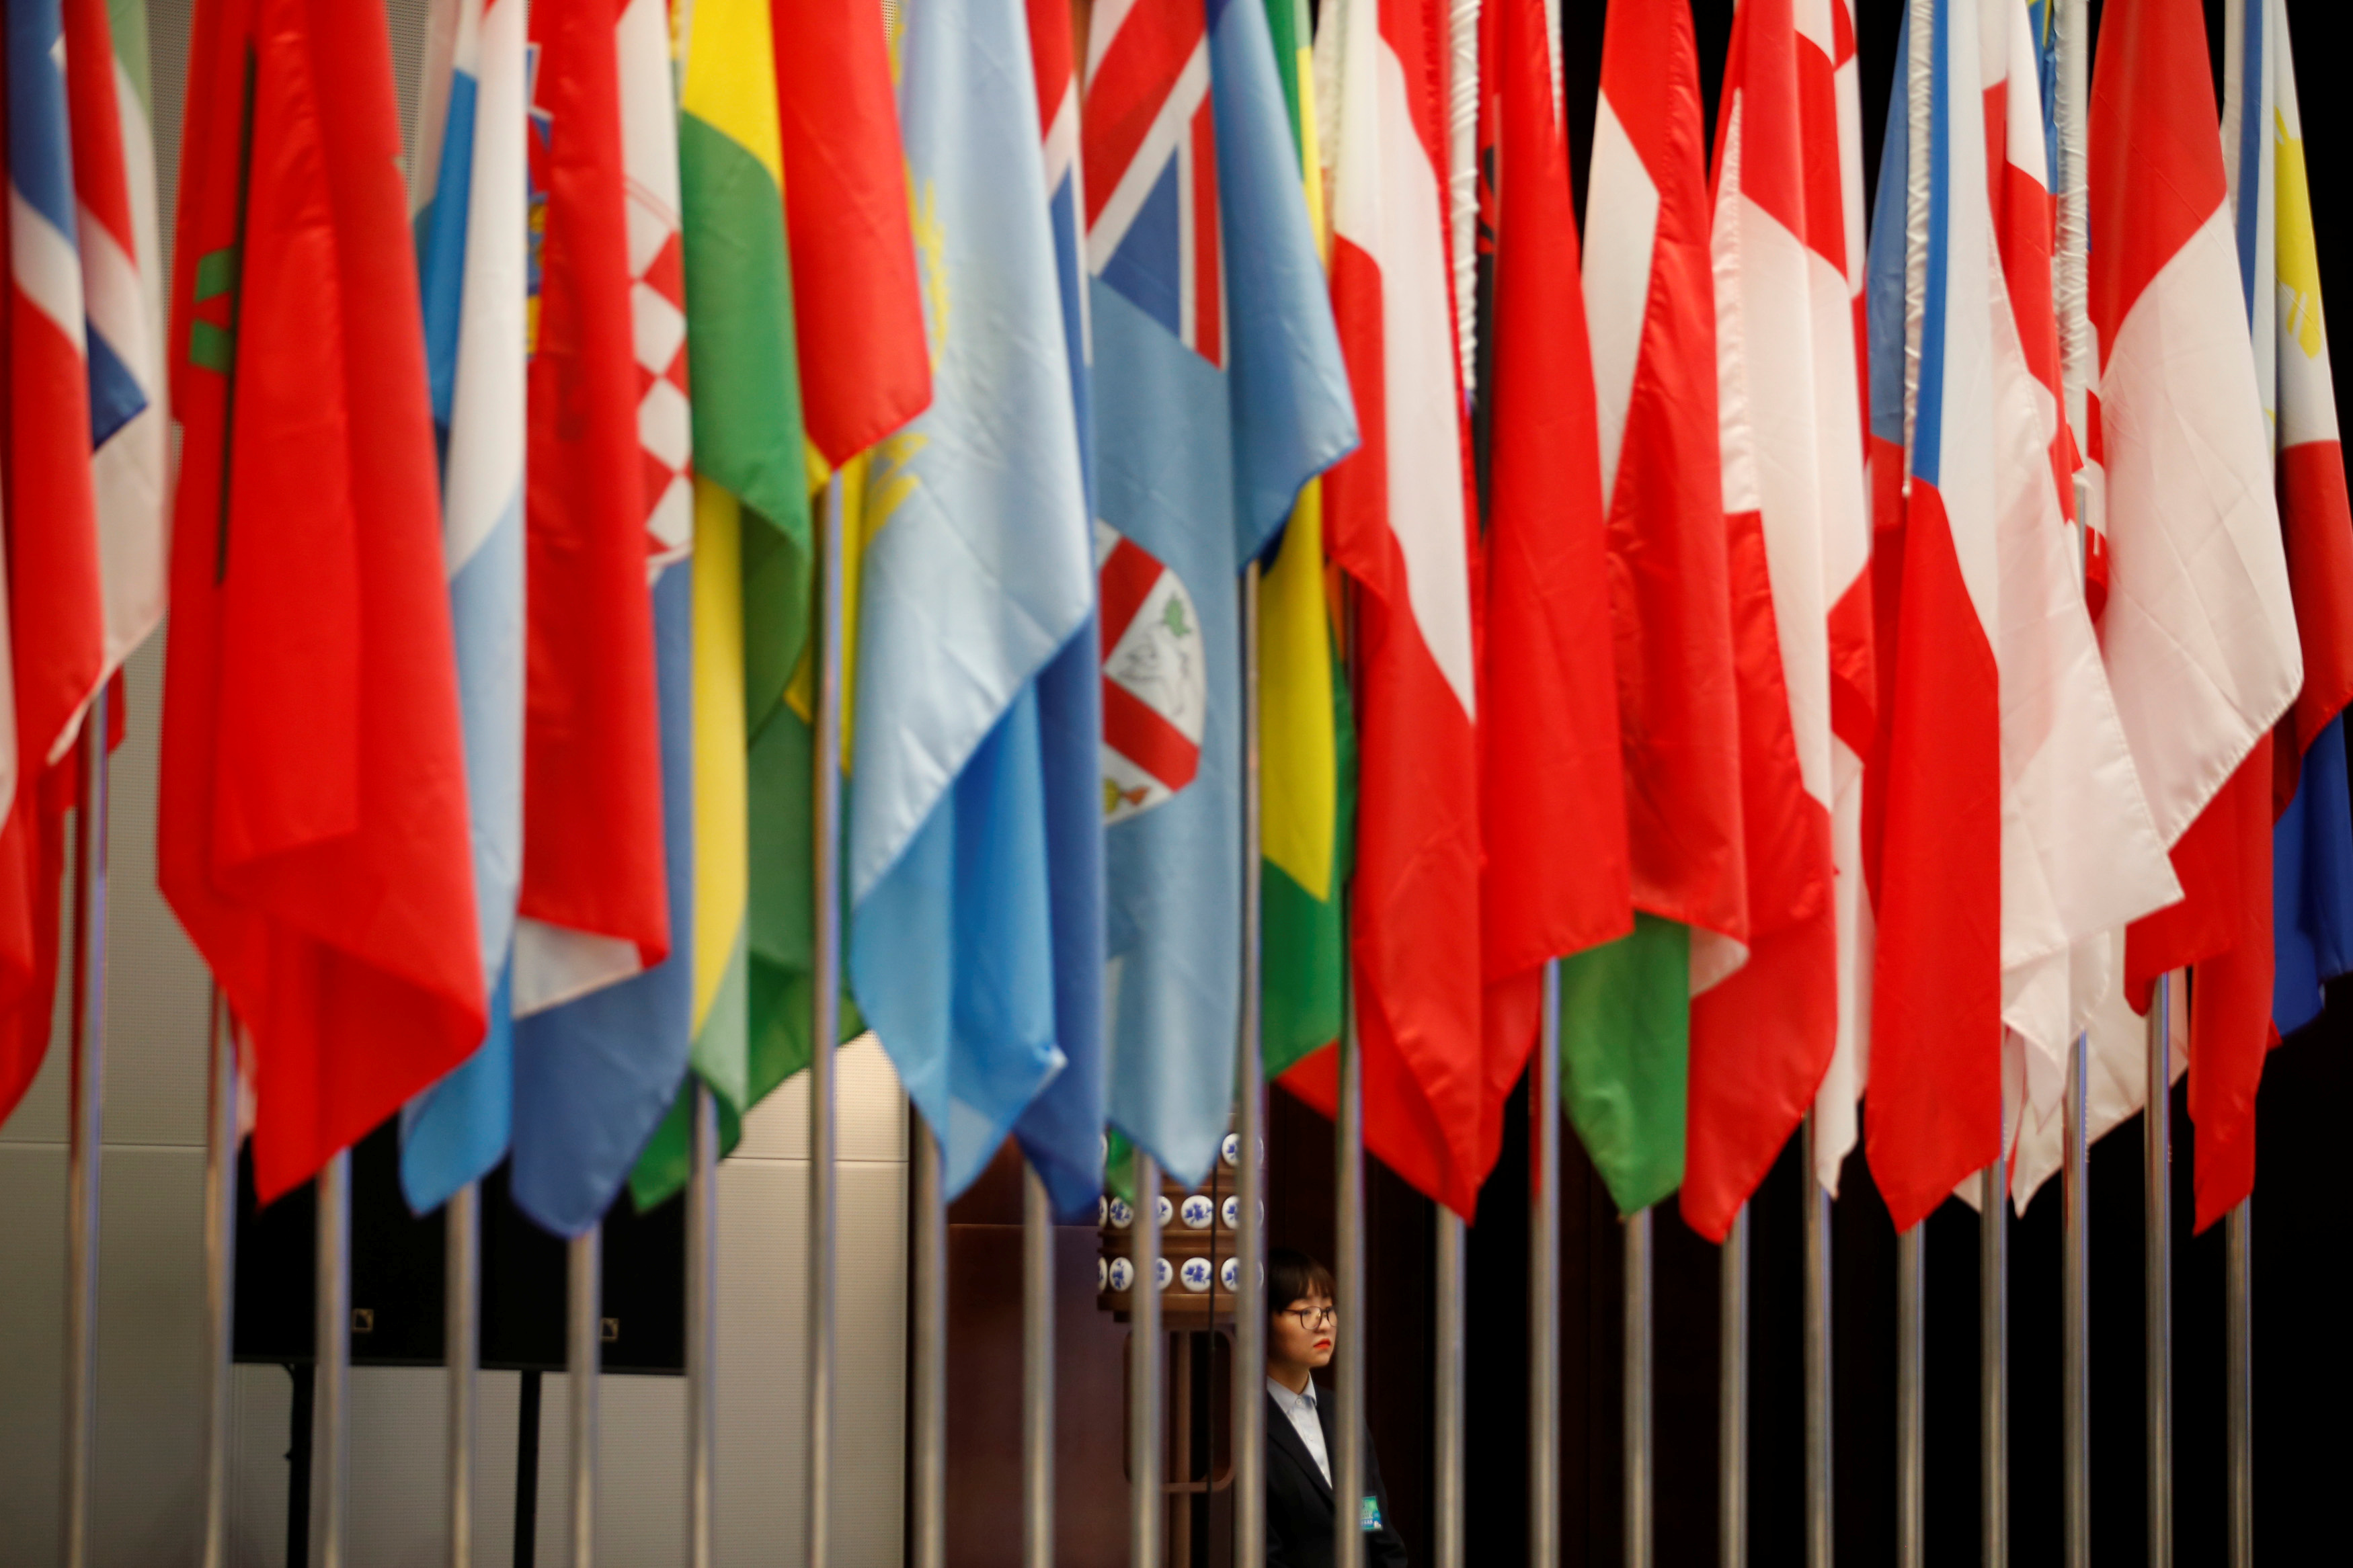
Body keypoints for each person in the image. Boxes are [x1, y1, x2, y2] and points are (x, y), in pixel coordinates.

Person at [1263, 1247, 1408, 1567]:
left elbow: (1374, 1525)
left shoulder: (1342, 1414)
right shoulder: (1245, 1423)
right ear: (1263, 1321)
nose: (1324, 1325)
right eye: (1306, 1312)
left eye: (1328, 1310)